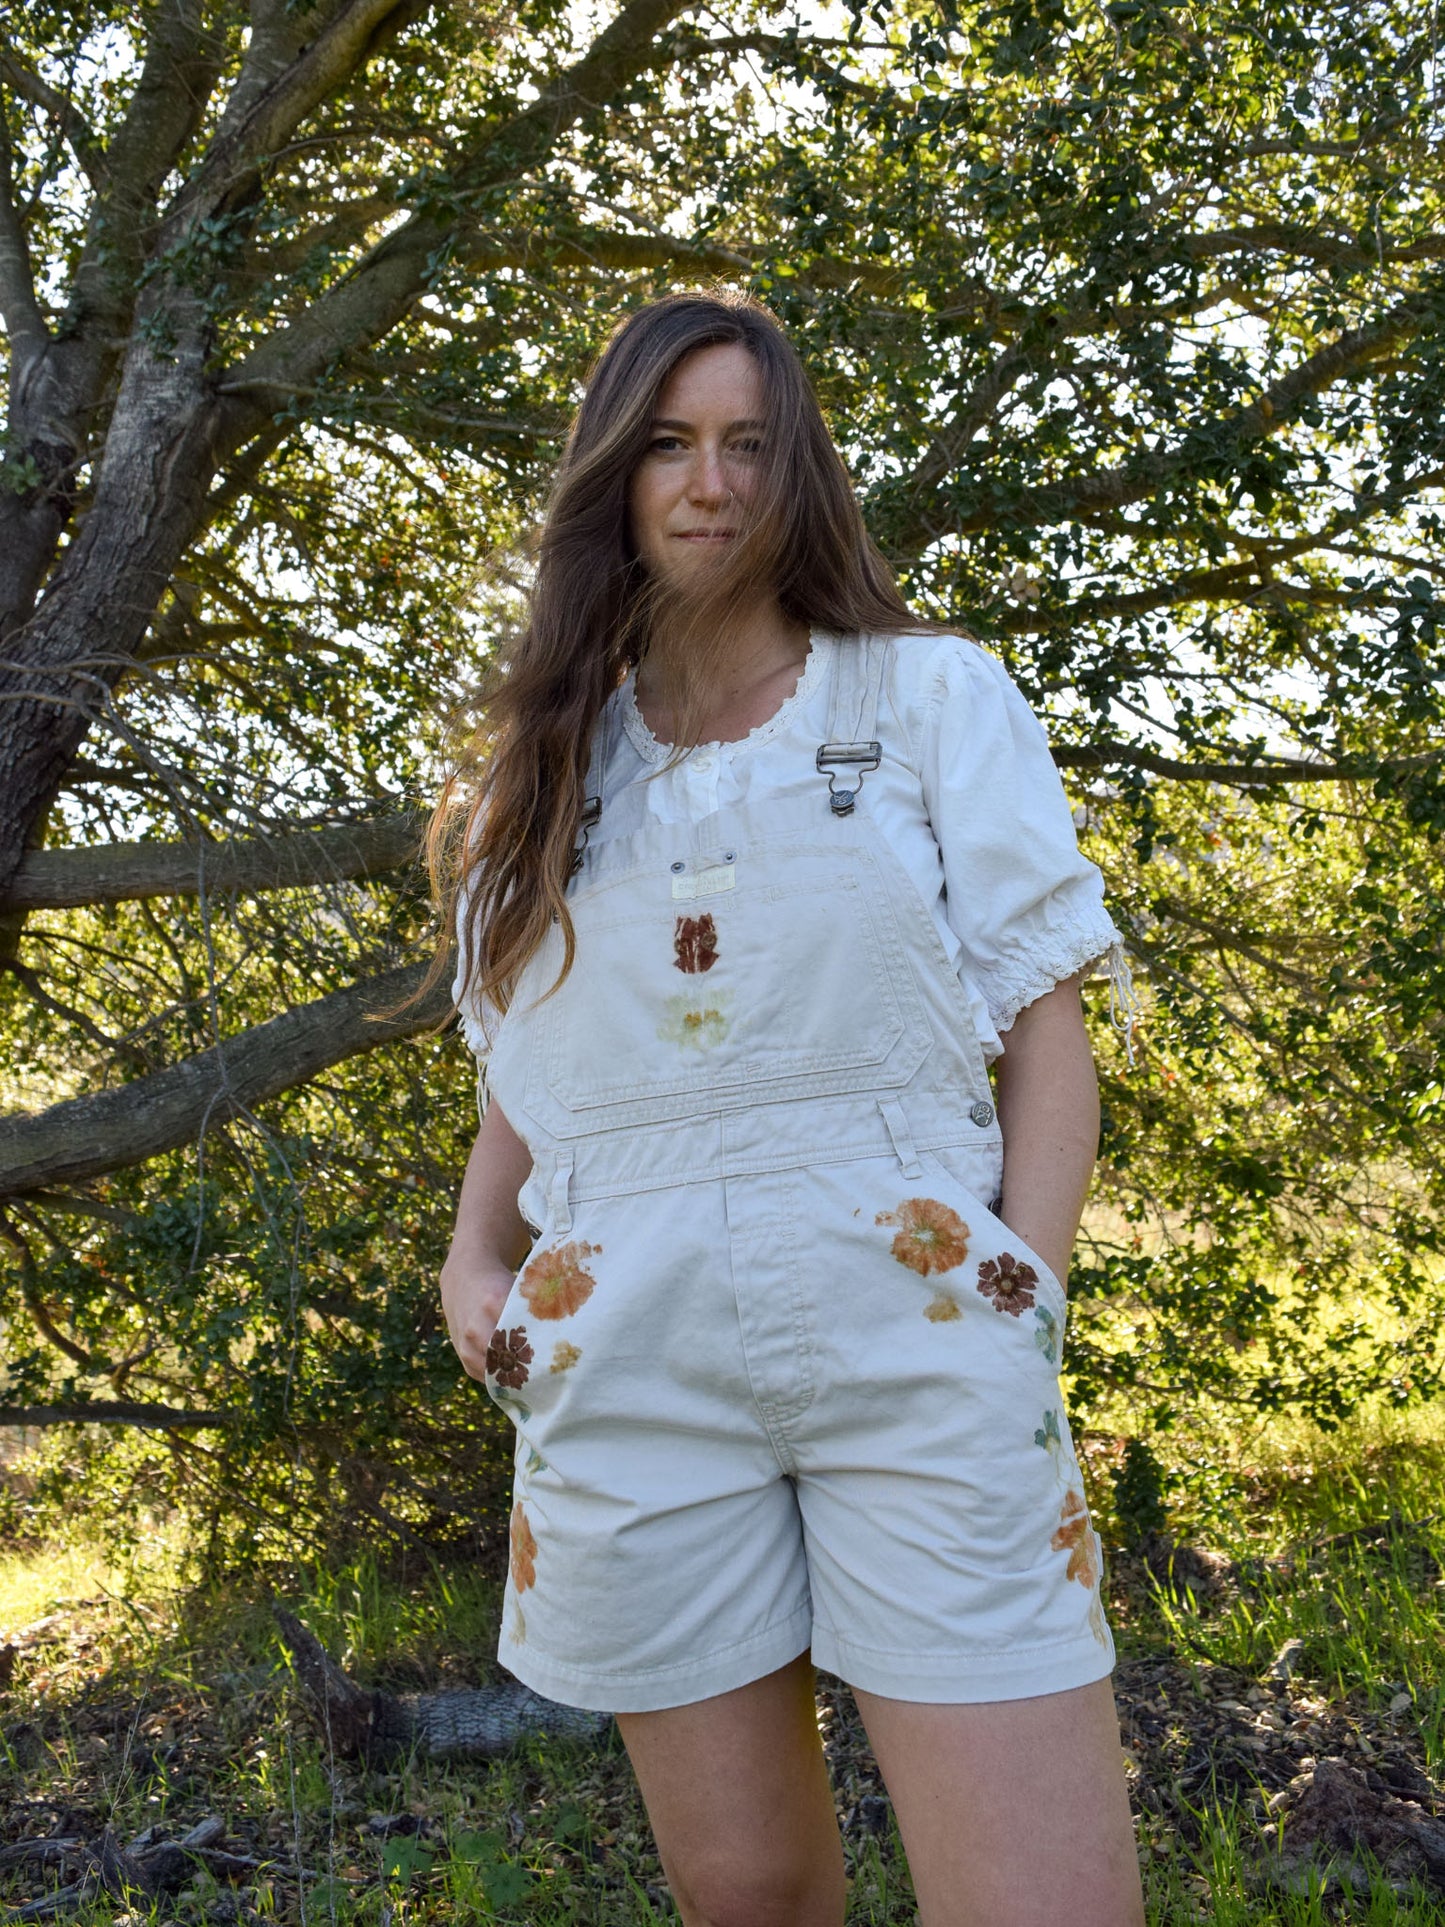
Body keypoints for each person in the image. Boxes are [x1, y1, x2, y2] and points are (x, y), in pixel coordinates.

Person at [434, 290, 1146, 1927]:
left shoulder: (926, 703)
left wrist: (1015, 1288)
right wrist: (473, 1262)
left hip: (919, 1339)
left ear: (798, 472)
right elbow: (530, 1077)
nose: (711, 482)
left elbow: (1045, 1020)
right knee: (747, 1895)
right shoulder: (543, 777)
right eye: (671, 444)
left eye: (750, 443)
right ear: (613, 474)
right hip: (628, 1357)